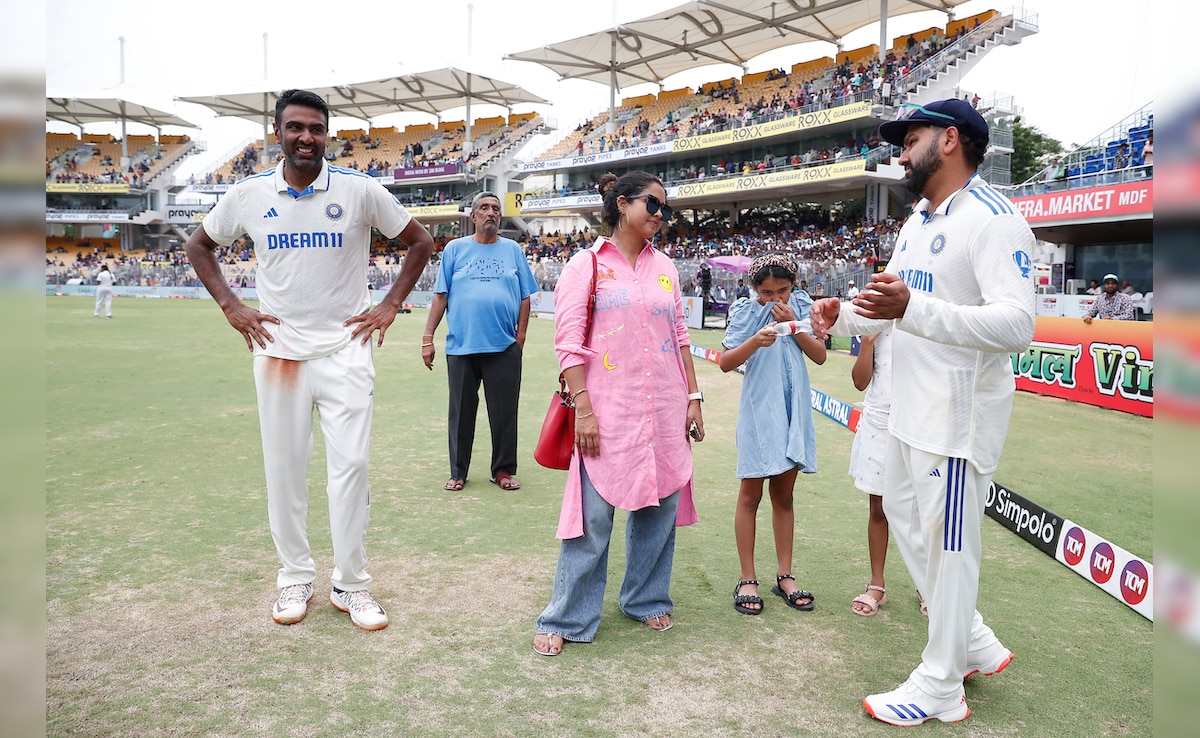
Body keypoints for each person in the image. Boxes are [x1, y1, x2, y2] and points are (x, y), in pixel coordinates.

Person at [810, 98, 1034, 726]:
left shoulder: (994, 220)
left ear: (951, 140)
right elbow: (894, 305)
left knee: (952, 547)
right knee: (911, 527)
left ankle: (941, 686)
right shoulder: (916, 222)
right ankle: (974, 643)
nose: (900, 153)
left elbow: (1016, 323)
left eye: (911, 139)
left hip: (956, 422)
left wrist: (911, 309)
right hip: (905, 408)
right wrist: (844, 315)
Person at [184, 89, 435, 631]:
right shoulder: (249, 194)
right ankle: (295, 577)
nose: (306, 137)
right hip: (278, 353)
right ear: (277, 132)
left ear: (327, 133)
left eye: (316, 128)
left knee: (352, 469)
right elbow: (198, 246)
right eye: (296, 127)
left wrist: (390, 304)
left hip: (346, 349)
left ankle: (351, 584)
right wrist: (232, 306)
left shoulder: (360, 189)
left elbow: (421, 241)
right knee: (285, 469)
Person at [533, 171, 704, 657]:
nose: (659, 215)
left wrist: (693, 398)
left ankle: (646, 598)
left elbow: (681, 340)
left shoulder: (666, 267)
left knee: (659, 509)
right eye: (652, 204)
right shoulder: (584, 266)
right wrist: (583, 411)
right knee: (591, 520)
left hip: (666, 407)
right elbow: (568, 344)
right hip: (607, 410)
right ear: (622, 204)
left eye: (664, 208)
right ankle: (567, 615)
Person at [718, 254, 826, 616]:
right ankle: (747, 577)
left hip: (793, 409)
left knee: (784, 495)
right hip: (758, 409)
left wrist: (795, 325)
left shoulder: (801, 306)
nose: (775, 298)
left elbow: (820, 355)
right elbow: (726, 361)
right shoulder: (747, 311)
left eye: (783, 290)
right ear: (754, 288)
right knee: (750, 495)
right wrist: (755, 342)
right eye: (767, 292)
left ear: (793, 285)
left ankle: (785, 575)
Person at [421, 192, 538, 492]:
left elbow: (525, 296)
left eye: (496, 209)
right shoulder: (454, 249)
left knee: (504, 413)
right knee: (460, 412)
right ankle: (458, 471)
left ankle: (502, 471)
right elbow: (440, 295)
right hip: (462, 346)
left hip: (504, 346)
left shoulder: (512, 250)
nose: (491, 213)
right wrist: (427, 337)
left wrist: (520, 336)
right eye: (484, 208)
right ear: (473, 217)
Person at [848, 329, 893, 616]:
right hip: (880, 424)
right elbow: (859, 381)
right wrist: (867, 343)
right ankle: (877, 584)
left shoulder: (929, 313)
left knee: (924, 510)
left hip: (923, 424)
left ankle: (927, 585)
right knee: (878, 507)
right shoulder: (876, 323)